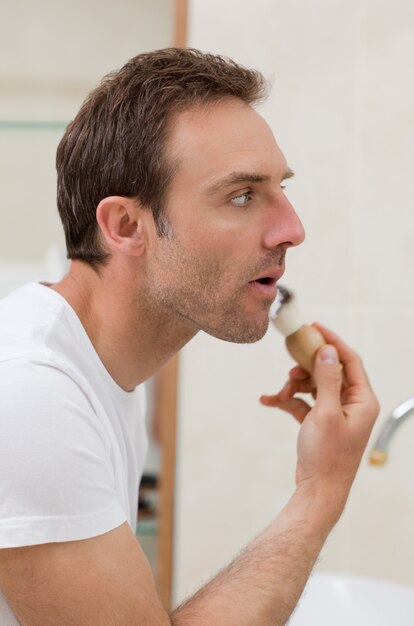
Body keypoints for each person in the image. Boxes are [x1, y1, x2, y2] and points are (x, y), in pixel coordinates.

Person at [0, 47, 379, 625]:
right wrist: (321, 490)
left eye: (281, 189)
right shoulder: (29, 394)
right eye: (243, 195)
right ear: (127, 226)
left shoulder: (100, 370)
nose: (293, 229)